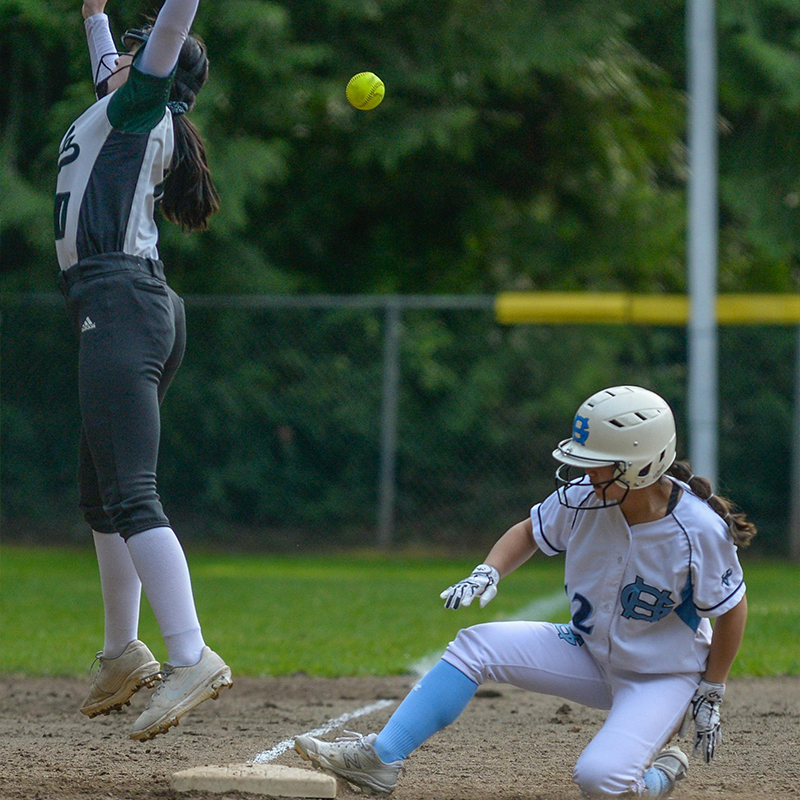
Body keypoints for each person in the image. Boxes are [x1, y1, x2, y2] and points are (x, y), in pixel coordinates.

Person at [294, 386, 754, 797]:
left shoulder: (697, 530)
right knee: (475, 645)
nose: (585, 473)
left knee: (600, 780)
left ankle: (658, 778)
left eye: (599, 465)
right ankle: (380, 759)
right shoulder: (586, 497)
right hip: (590, 652)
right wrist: (488, 572)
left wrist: (711, 688)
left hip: (661, 677)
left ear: (640, 464)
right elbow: (529, 532)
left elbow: (732, 611)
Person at [55, 0, 230, 742]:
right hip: (122, 302)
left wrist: (161, 20)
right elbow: (110, 62)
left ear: (160, 72)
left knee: (131, 491)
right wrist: (94, 13)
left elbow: (166, 30)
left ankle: (191, 655)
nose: (122, 57)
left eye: (136, 50)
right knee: (101, 493)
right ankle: (123, 653)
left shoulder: (137, 108)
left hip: (123, 301)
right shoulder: (121, 108)